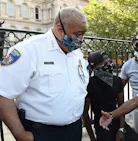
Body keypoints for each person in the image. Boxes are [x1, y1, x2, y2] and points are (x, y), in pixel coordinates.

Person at [0, 8, 89, 141]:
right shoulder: (27, 50)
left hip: (74, 130)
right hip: (41, 132)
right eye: (77, 34)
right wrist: (20, 135)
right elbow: (3, 95)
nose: (81, 39)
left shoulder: (77, 54)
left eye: (83, 34)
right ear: (60, 29)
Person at [84, 50, 138, 141]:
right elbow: (85, 114)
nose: (109, 65)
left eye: (109, 61)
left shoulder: (117, 81)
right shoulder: (89, 84)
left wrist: (122, 129)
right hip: (101, 124)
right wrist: (92, 138)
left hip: (117, 121)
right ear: (95, 67)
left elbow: (121, 106)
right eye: (104, 63)